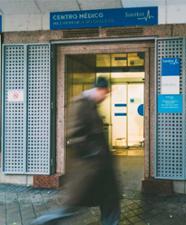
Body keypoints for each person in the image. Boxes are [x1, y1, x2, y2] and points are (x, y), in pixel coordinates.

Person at [30, 77, 121, 225]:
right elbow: (74, 136)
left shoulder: (91, 104)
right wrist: (93, 153)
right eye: (105, 93)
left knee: (110, 201)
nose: (105, 97)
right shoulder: (81, 104)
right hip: (90, 169)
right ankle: (42, 222)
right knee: (70, 207)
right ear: (100, 90)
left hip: (99, 168)